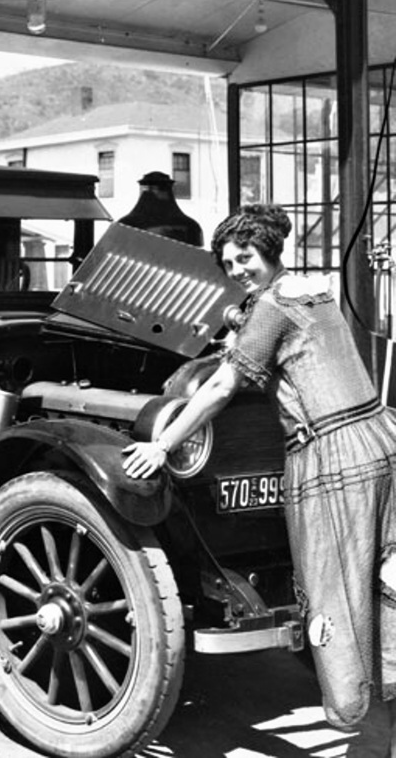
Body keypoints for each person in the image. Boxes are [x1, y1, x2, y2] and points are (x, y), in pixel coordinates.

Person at [122, 204, 396, 736]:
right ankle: (386, 723)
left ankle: (362, 727)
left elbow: (224, 386)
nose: (237, 270)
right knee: (384, 582)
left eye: (244, 258)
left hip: (333, 456)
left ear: (269, 253)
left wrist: (163, 445)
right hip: (380, 439)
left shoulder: (270, 307)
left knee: (336, 588)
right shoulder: (315, 292)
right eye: (227, 264)